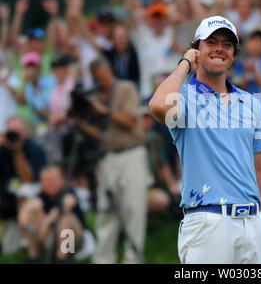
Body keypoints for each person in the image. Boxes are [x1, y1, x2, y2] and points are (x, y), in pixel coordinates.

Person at [148, 15, 261, 263]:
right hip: (207, 224)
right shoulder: (184, 99)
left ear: (233, 54)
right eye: (212, 42)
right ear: (197, 49)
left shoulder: (250, 102)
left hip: (252, 224)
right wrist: (186, 61)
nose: (220, 49)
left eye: (227, 44)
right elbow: (157, 105)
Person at [79, 59, 151, 264]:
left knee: (134, 208)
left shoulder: (125, 88)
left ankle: (133, 258)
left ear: (109, 70)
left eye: (102, 75)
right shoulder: (97, 97)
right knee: (105, 210)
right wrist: (81, 122)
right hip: (108, 156)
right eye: (96, 77)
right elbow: (102, 135)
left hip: (132, 153)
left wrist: (105, 111)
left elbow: (130, 121)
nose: (100, 80)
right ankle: (103, 259)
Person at [17, 165, 94, 263]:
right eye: (46, 180)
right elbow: (24, 220)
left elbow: (67, 203)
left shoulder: (69, 192)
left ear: (62, 180)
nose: (49, 183)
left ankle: (62, 258)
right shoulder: (41, 196)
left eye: (52, 179)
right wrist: (30, 215)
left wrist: (47, 220)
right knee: (33, 215)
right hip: (49, 238)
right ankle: (33, 257)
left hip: (74, 243)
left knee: (65, 217)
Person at [0, 116, 46, 253]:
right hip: (6, 197)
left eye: (17, 132)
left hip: (31, 196)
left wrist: (18, 152)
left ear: (24, 133)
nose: (13, 136)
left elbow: (29, 179)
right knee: (9, 250)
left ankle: (28, 240)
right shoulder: (3, 148)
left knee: (24, 191)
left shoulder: (34, 148)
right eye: (11, 132)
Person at [140, 103, 181, 215]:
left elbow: (163, 164)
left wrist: (172, 186)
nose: (146, 121)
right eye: (143, 118)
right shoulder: (129, 141)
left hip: (152, 185)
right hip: (135, 188)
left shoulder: (155, 138)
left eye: (148, 118)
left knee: (163, 199)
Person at [232, 30, 261, 115]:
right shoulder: (240, 63)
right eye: (252, 42)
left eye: (258, 43)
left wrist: (254, 72)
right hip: (246, 102)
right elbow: (238, 86)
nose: (255, 46)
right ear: (247, 44)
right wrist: (245, 72)